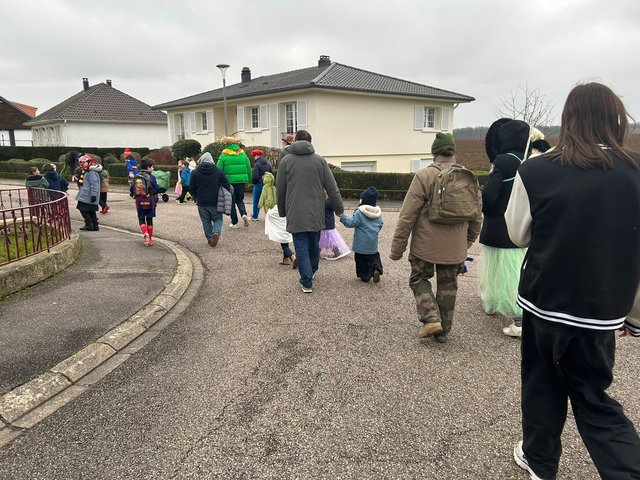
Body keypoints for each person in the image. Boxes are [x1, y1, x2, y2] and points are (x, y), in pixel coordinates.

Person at [505, 82, 640, 480]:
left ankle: (539, 462)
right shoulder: (636, 172)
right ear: (617, 119)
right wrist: (634, 317)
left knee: (541, 384)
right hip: (601, 310)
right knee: (593, 396)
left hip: (544, 302)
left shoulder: (535, 170)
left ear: (568, 120)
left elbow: (518, 234)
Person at [390, 132, 482, 343]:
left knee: (418, 278)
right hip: (455, 248)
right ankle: (443, 332)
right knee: (448, 286)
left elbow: (407, 215)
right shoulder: (467, 178)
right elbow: (477, 217)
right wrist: (465, 243)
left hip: (425, 246)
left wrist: (397, 248)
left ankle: (431, 318)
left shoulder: (424, 176)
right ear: (453, 152)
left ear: (434, 153)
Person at [479, 118, 531, 338]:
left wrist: (485, 207)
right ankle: (498, 304)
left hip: (499, 225)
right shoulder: (530, 160)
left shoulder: (502, 161)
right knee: (516, 269)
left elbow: (490, 195)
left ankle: (516, 318)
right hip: (522, 226)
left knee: (499, 270)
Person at [276, 130, 344, 293]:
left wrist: (282, 211)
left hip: (295, 211)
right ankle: (311, 271)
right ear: (310, 142)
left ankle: (306, 281)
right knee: (314, 245)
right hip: (316, 210)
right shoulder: (320, 161)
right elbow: (332, 187)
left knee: (300, 246)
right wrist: (339, 208)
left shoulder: (286, 161)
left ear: (295, 141)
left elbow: (280, 189)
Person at [340, 186, 383, 282]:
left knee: (361, 261)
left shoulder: (359, 212)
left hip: (361, 244)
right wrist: (375, 231)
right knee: (373, 258)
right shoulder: (378, 213)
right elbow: (380, 224)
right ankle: (375, 269)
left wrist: (342, 217)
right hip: (373, 243)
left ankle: (365, 276)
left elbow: (351, 223)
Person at [190, 152, 231, 248]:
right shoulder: (218, 171)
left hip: (201, 202)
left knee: (206, 221)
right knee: (217, 218)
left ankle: (210, 239)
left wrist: (195, 197)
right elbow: (227, 186)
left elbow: (191, 188)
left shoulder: (195, 172)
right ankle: (216, 232)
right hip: (215, 201)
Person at [259, 171, 296, 266]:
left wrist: (267, 212)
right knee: (285, 239)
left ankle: (292, 256)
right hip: (288, 218)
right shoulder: (292, 192)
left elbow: (275, 206)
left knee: (283, 242)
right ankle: (285, 259)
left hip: (280, 216)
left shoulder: (278, 191)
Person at [216, 137, 252, 228]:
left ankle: (234, 222)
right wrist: (249, 180)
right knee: (240, 199)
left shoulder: (223, 156)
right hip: (241, 182)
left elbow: (218, 170)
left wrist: (218, 182)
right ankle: (243, 214)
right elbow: (249, 168)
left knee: (231, 202)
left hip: (228, 183)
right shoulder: (243, 154)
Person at [129, 158, 159, 246]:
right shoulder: (151, 177)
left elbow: (131, 189)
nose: (153, 168)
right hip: (150, 200)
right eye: (152, 167)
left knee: (141, 219)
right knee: (149, 219)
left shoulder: (136, 176)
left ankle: (145, 232)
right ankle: (150, 239)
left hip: (139, 200)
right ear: (148, 167)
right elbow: (157, 188)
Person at [320, 193, 351, 260]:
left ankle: (320, 251)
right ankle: (336, 251)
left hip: (322, 223)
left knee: (322, 238)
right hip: (329, 223)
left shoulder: (320, 202)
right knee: (332, 239)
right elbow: (335, 208)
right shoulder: (329, 202)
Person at [75, 155, 101, 231]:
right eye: (81, 162)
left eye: (83, 162)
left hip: (87, 195)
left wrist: (94, 195)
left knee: (83, 209)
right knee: (91, 211)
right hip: (85, 194)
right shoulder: (85, 171)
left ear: (89, 162)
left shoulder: (91, 172)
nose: (81, 164)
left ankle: (89, 224)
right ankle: (94, 225)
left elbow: (94, 184)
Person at [250, 149, 273, 221]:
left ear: (257, 155)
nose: (254, 157)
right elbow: (271, 174)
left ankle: (255, 216)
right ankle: (269, 216)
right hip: (267, 184)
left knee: (256, 200)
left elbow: (255, 176)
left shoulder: (257, 164)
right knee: (267, 200)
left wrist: (253, 182)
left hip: (258, 184)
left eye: (254, 156)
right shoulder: (268, 164)